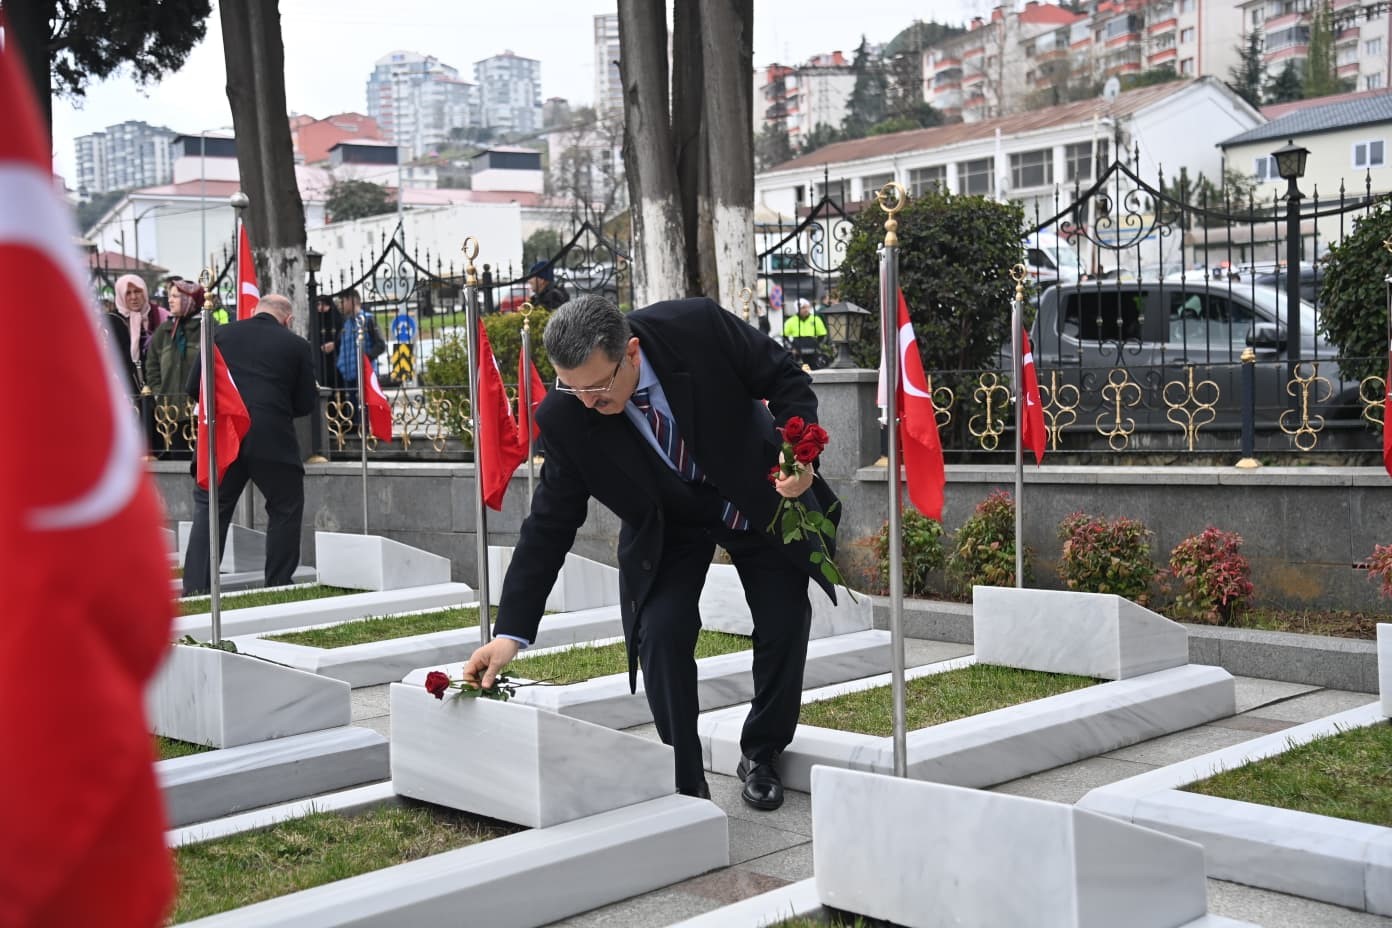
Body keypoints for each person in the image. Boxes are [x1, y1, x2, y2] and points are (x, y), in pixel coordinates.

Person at [462, 295, 841, 810]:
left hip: (756, 494)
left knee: (782, 619)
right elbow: (547, 527)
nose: (588, 404)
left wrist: (798, 458)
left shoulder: (696, 329)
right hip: (671, 525)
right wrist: (509, 635)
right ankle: (686, 776)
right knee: (660, 633)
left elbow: (786, 379)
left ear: (632, 353)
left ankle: (763, 750)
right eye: (572, 389)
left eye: (598, 389)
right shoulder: (568, 417)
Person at [181, 294, 317, 595]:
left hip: (224, 435)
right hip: (273, 439)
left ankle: (196, 588)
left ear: (254, 310)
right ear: (288, 319)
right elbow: (306, 402)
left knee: (210, 509)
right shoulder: (296, 345)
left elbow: (194, 387)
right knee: (285, 507)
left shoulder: (220, 334)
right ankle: (278, 583)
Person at [145, 278, 209, 456]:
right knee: (177, 458)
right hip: (171, 413)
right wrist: (159, 393)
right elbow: (152, 366)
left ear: (190, 299)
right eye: (169, 296)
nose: (170, 300)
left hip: (200, 412)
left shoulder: (208, 329)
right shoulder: (164, 331)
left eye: (175, 296)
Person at [100, 274, 167, 394]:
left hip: (159, 387)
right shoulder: (110, 321)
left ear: (145, 292)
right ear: (120, 295)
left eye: (137, 291)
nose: (134, 297)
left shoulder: (160, 315)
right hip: (123, 388)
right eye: (128, 293)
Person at [312, 293, 344, 388]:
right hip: (320, 361)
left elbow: (343, 336)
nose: (321, 308)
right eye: (318, 305)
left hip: (336, 360)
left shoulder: (337, 318)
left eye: (324, 304)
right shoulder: (315, 319)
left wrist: (335, 344)